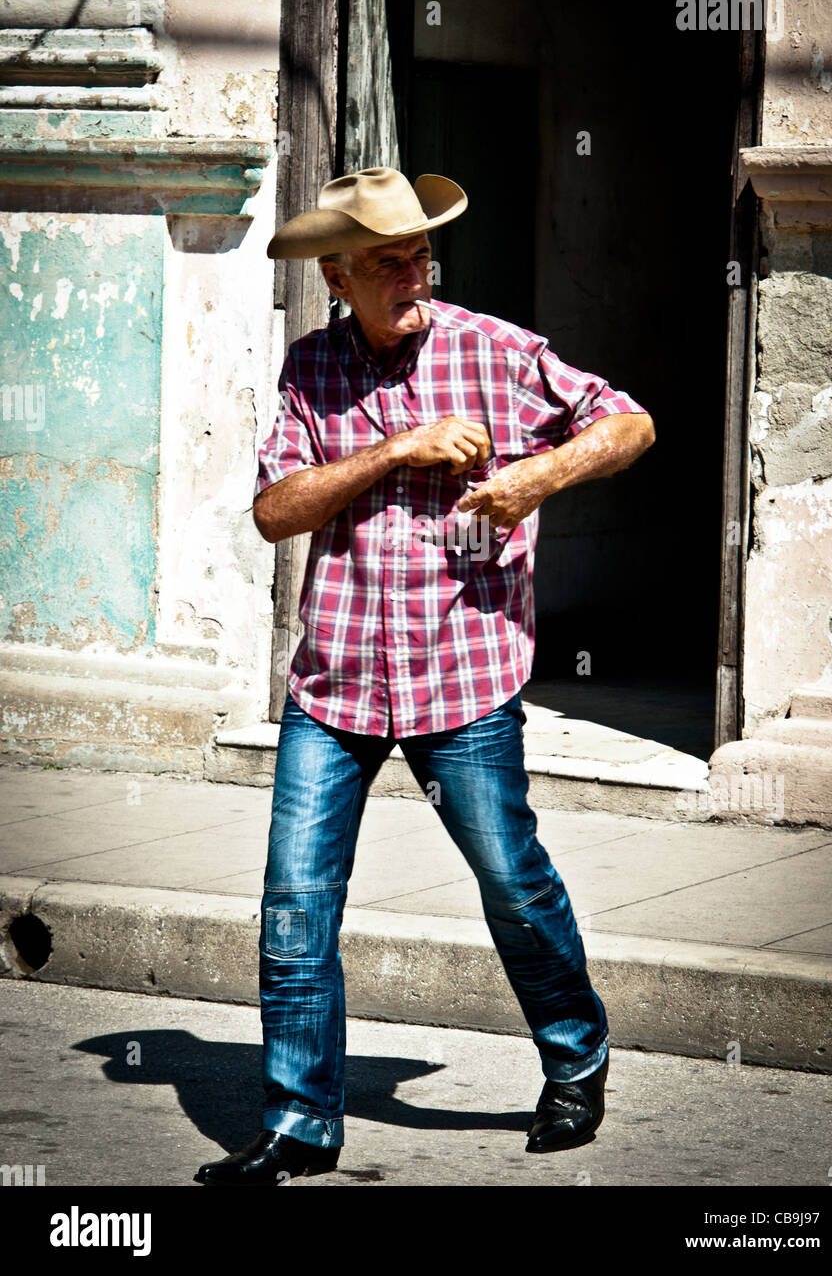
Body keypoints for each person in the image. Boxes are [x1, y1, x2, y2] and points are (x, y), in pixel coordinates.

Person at [194, 167, 655, 1186]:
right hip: (339, 686)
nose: (417, 275)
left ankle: (578, 1054)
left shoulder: (491, 350)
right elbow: (277, 511)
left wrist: (541, 474)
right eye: (391, 261)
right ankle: (301, 1121)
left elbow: (629, 422)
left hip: (465, 678)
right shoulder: (311, 371)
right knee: (296, 905)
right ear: (339, 274)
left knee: (512, 883)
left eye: (421, 254)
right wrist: (397, 447)